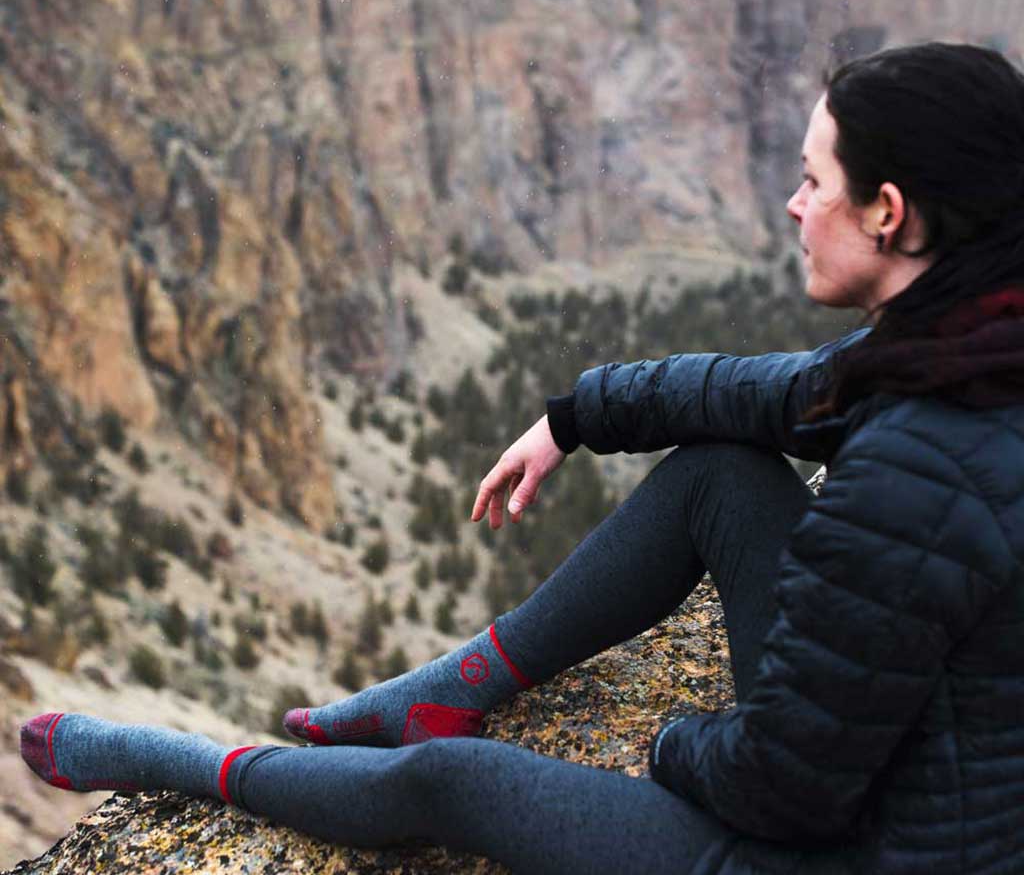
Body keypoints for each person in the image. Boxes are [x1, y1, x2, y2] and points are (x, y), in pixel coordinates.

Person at [20, 42, 1024, 875]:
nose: (793, 206)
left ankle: (189, 763)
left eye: (813, 182)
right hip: (931, 770)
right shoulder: (967, 341)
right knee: (719, 471)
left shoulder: (917, 459)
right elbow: (767, 391)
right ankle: (452, 683)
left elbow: (786, 791)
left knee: (457, 781)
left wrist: (669, 743)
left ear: (888, 211)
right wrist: (573, 417)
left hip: (874, 854)